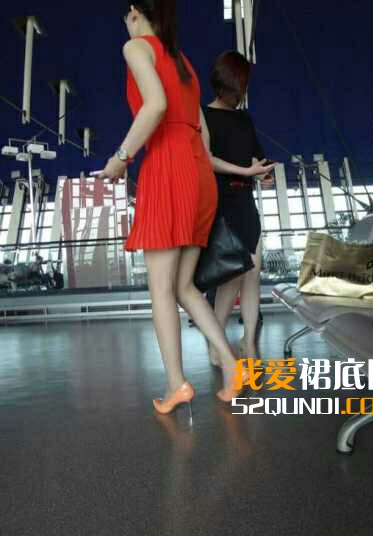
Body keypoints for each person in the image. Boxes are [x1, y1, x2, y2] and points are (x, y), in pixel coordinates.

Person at [99, 1, 253, 415]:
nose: (126, 26)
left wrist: (120, 158)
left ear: (134, 13)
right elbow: (202, 134)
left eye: (126, 19)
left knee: (161, 289)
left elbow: (155, 106)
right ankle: (232, 366)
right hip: (198, 173)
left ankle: (176, 384)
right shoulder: (181, 61)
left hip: (167, 167)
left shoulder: (136, 48)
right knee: (184, 287)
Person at [203, 51, 275, 367]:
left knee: (253, 274)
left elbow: (256, 158)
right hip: (221, 202)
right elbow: (207, 160)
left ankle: (248, 342)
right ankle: (216, 344)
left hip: (245, 201)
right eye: (240, 86)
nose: (242, 93)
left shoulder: (245, 118)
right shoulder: (204, 115)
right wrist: (246, 171)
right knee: (230, 277)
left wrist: (264, 175)